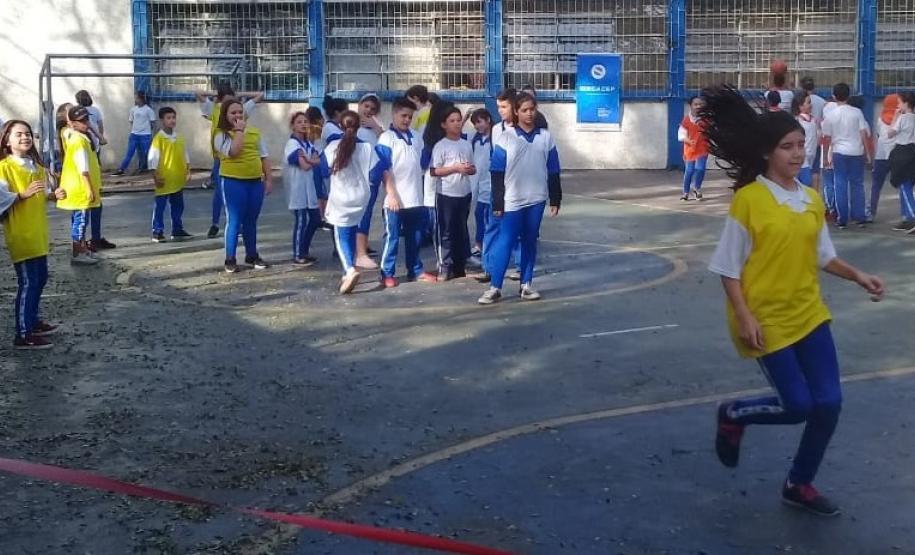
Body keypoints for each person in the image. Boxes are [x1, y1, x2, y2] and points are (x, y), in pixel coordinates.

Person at [702, 85, 884, 517]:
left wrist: (859, 276)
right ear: (768, 153)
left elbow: (824, 256)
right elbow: (728, 267)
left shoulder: (811, 200)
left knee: (829, 404)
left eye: (801, 145)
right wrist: (743, 314)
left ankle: (799, 483)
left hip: (809, 313)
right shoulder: (750, 201)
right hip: (766, 318)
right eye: (788, 147)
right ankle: (734, 414)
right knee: (796, 405)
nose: (798, 153)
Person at [478, 92, 561, 305]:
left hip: (536, 198)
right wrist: (498, 201)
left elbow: (553, 169)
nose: (529, 114)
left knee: (530, 241)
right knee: (505, 241)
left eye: (532, 109)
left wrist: (555, 198)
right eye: (524, 110)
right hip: (512, 199)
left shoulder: (546, 137)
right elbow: (496, 172)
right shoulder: (506, 138)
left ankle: (526, 285)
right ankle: (495, 287)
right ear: (516, 112)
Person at [0, 120, 67, 349]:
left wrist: (53, 194)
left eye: (27, 134)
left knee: (41, 278)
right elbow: (2, 199)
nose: (24, 138)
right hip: (21, 233)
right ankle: (23, 333)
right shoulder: (4, 167)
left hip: (38, 231)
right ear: (7, 141)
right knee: (28, 282)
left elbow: (42, 193)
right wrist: (21, 195)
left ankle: (34, 321)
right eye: (18, 134)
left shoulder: (35, 166)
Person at [319, 110, 383, 294]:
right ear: (358, 127)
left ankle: (349, 269)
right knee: (353, 228)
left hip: (341, 198)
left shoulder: (333, 147)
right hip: (362, 196)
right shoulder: (367, 147)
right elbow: (377, 170)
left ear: (340, 126)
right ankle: (352, 262)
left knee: (341, 235)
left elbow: (323, 171)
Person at [377, 97, 438, 288]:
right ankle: (387, 272)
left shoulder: (416, 136)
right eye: (403, 116)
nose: (406, 120)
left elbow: (422, 163)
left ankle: (415, 269)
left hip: (415, 198)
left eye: (410, 117)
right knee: (393, 237)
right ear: (394, 114)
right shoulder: (387, 138)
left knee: (416, 236)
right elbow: (384, 169)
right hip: (395, 200)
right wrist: (392, 194)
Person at [196, 83, 264, 238]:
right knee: (220, 194)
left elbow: (260, 95)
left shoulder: (241, 110)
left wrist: (238, 94)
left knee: (238, 196)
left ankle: (237, 224)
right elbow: (198, 93)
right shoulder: (214, 110)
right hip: (221, 157)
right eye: (225, 102)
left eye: (231, 101)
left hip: (239, 158)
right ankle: (215, 223)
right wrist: (216, 95)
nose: (234, 112)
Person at [214, 99, 273, 273]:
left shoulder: (254, 133)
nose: (238, 115)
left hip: (255, 182)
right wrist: (239, 131)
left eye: (240, 112)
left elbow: (264, 156)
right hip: (233, 181)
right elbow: (234, 151)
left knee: (251, 220)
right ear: (225, 115)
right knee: (234, 220)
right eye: (233, 113)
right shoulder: (220, 135)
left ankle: (252, 255)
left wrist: (269, 178)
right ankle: (230, 258)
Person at [430, 105, 475, 281]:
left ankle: (459, 265)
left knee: (461, 229)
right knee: (446, 231)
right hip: (446, 194)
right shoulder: (440, 146)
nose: (456, 124)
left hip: (464, 193)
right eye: (452, 121)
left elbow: (472, 168)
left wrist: (468, 169)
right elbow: (434, 171)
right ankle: (444, 265)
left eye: (458, 120)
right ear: (444, 124)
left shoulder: (466, 144)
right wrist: (454, 168)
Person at [822, 83, 872, 229]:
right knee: (857, 184)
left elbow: (827, 139)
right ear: (849, 95)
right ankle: (859, 217)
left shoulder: (831, 115)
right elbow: (863, 134)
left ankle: (842, 218)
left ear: (833, 96)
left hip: (839, 152)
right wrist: (868, 153)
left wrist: (825, 157)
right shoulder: (857, 112)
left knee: (840, 184)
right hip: (856, 151)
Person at [57, 106, 101, 265]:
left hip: (80, 187)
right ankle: (78, 252)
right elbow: (83, 169)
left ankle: (82, 248)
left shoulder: (81, 137)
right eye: (82, 121)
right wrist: (89, 189)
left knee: (80, 219)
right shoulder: (77, 140)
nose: (86, 123)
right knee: (81, 221)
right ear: (73, 123)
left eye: (86, 120)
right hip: (80, 188)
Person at [284, 111, 324, 265]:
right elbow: (306, 166)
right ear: (293, 125)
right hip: (298, 188)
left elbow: (317, 160)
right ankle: (297, 253)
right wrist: (310, 159)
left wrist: (309, 158)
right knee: (301, 220)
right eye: (299, 122)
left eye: (305, 121)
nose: (303, 124)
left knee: (315, 219)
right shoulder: (292, 144)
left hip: (310, 188)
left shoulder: (308, 144)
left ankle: (304, 250)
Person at [147, 107, 191, 243]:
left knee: (178, 205)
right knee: (160, 206)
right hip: (164, 179)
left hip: (177, 177)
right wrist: (155, 175)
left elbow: (185, 155)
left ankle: (177, 230)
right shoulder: (159, 139)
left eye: (173, 117)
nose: (172, 120)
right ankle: (157, 231)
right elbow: (152, 158)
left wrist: (188, 171)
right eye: (168, 118)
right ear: (162, 120)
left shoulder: (179, 138)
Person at [355, 93, 385, 269]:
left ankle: (363, 245)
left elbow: (382, 145)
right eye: (366, 106)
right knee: (361, 214)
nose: (368, 111)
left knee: (367, 213)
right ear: (359, 105)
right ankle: (359, 253)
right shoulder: (352, 126)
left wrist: (376, 127)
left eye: (372, 109)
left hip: (373, 177)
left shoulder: (374, 128)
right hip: (359, 178)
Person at [469, 108, 494, 278]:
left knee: (487, 216)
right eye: (475, 123)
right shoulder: (476, 140)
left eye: (480, 121)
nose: (477, 126)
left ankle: (488, 247)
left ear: (488, 120)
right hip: (479, 183)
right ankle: (479, 244)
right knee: (479, 214)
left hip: (491, 184)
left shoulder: (496, 139)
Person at [869, 94, 900, 222]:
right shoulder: (901, 117)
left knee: (876, 185)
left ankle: (871, 211)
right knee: (903, 185)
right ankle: (906, 214)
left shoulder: (881, 118)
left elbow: (877, 134)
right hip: (897, 155)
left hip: (881, 155)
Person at [888, 92, 915, 233]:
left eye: (899, 102)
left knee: (904, 185)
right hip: (912, 151)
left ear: (906, 104)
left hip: (902, 152)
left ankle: (912, 217)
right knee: (907, 185)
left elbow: (890, 133)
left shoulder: (903, 118)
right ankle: (906, 219)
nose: (898, 105)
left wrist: (896, 116)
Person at [113, 91, 156, 176]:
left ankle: (145, 169)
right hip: (134, 135)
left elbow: (152, 122)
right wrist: (136, 129)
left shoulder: (148, 110)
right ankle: (121, 169)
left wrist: (147, 132)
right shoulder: (133, 109)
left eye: (136, 97)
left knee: (146, 153)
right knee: (129, 153)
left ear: (141, 99)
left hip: (145, 135)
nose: (135, 99)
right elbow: (131, 121)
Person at [678, 96, 709, 201]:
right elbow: (681, 135)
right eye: (696, 104)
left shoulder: (706, 119)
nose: (698, 106)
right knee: (689, 171)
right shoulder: (686, 120)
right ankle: (685, 192)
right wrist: (688, 141)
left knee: (700, 169)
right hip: (690, 150)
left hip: (702, 148)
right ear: (691, 106)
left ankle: (697, 188)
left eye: (700, 104)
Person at [791, 92, 819, 187]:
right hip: (803, 157)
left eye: (810, 102)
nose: (810, 105)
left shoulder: (814, 119)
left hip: (812, 156)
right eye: (808, 102)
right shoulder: (797, 121)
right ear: (800, 106)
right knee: (806, 182)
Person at [75, 90, 106, 158]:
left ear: (78, 100)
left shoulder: (77, 111)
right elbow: (100, 126)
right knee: (96, 160)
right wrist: (100, 137)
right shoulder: (96, 110)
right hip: (95, 139)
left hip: (83, 139)